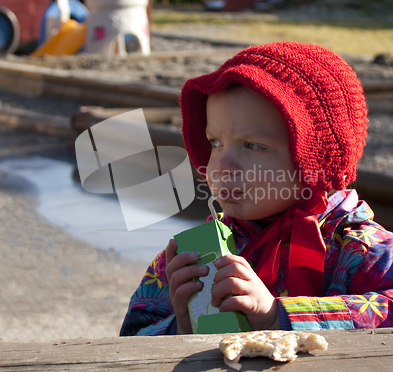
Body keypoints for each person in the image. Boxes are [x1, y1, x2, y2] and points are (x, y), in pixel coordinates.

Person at [120, 41, 393, 336]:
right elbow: (132, 335)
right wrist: (182, 325)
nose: (222, 165)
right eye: (215, 142)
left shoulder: (359, 249)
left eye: (252, 146)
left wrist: (276, 315)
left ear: (316, 160)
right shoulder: (196, 256)